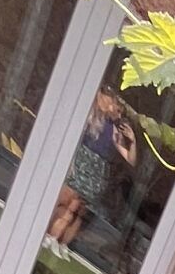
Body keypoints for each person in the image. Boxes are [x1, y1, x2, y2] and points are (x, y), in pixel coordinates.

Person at [46, 82, 136, 250]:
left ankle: (60, 242)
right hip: (81, 159)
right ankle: (51, 235)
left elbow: (130, 158)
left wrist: (132, 140)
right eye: (110, 101)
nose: (112, 106)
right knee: (65, 203)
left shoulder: (113, 129)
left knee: (77, 210)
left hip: (96, 167)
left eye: (114, 103)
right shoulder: (90, 116)